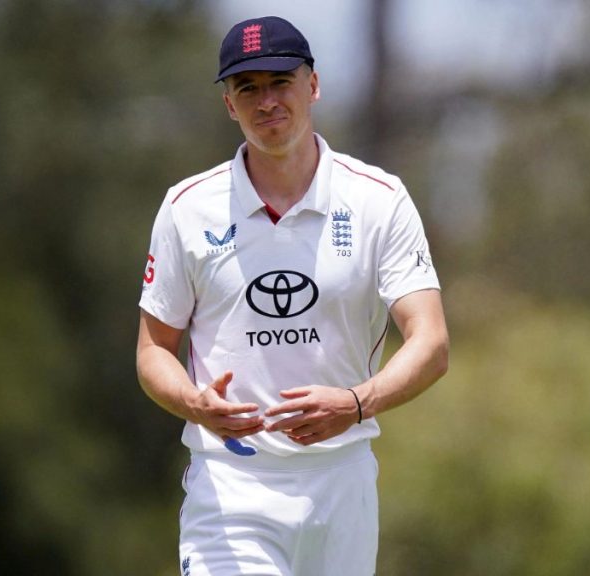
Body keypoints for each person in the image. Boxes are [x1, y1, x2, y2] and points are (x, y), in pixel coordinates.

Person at [136, 15, 449, 576]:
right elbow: (153, 350)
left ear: (313, 85)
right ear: (230, 104)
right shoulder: (186, 208)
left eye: (281, 81)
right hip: (231, 485)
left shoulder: (379, 200)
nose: (267, 101)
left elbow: (431, 342)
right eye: (247, 88)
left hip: (343, 482)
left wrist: (356, 403)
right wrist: (194, 403)